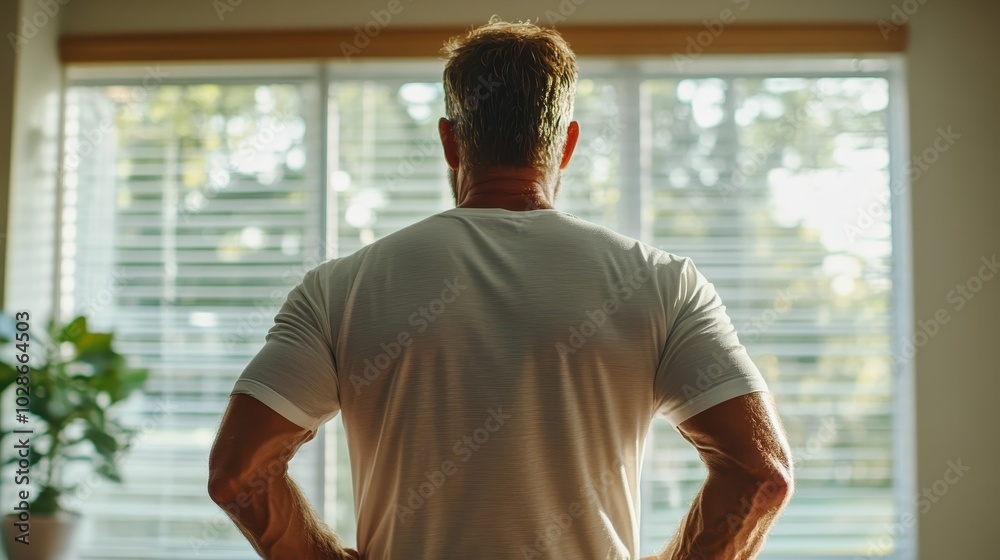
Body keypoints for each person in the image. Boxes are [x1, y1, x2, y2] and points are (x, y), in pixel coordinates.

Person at [208, 18, 794, 560]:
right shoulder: (665, 284)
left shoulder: (340, 288)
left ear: (449, 141)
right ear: (566, 145)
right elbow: (760, 473)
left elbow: (239, 473)